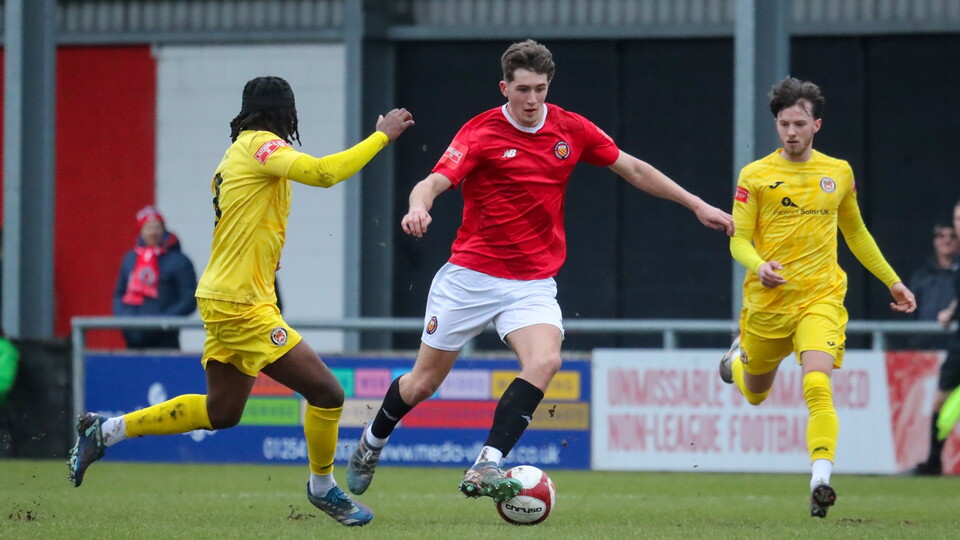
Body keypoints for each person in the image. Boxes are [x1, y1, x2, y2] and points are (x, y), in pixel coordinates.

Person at [345, 39, 734, 503]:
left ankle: (488, 462)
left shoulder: (571, 129)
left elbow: (632, 168)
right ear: (504, 87)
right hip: (470, 277)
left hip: (530, 283)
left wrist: (696, 204)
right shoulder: (481, 132)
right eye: (522, 89)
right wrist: (417, 207)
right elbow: (432, 182)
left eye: (540, 89)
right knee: (422, 382)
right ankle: (372, 441)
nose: (531, 100)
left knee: (546, 361)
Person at [68, 76, 414, 527]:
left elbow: (249, 220)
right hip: (240, 303)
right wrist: (380, 136)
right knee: (328, 393)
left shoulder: (236, 153)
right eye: (290, 114)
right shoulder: (261, 146)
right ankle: (323, 487)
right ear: (281, 113)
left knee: (222, 412)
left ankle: (105, 430)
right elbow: (324, 174)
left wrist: (266, 260)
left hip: (230, 296)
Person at [718, 77, 916, 518]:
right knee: (755, 395)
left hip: (821, 298)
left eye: (800, 123)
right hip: (768, 304)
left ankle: (820, 479)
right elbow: (739, 240)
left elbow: (856, 232)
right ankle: (737, 359)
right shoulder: (755, 175)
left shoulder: (837, 172)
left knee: (817, 382)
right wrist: (758, 266)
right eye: (784, 123)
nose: (791, 131)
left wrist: (892, 280)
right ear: (777, 124)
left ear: (816, 125)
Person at [912, 199, 960, 475]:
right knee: (940, 401)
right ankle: (933, 461)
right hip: (957, 342)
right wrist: (952, 311)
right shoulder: (952, 265)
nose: (956, 227)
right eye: (956, 219)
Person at [113, 206, 198, 349]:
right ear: (140, 231)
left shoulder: (179, 261)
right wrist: (125, 319)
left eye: (157, 227)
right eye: (148, 228)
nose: (153, 232)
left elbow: (189, 299)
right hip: (133, 337)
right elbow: (119, 294)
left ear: (163, 229)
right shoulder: (130, 259)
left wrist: (165, 321)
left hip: (166, 338)